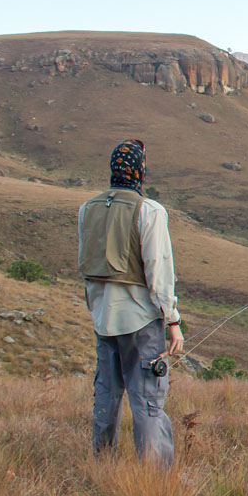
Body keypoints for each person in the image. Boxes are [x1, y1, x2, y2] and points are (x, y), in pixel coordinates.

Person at [78, 139, 184, 465]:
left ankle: (102, 466)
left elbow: (87, 266)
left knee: (106, 396)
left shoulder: (87, 208)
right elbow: (159, 273)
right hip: (140, 322)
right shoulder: (150, 211)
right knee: (148, 400)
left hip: (102, 319)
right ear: (140, 170)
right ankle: (155, 480)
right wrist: (173, 322)